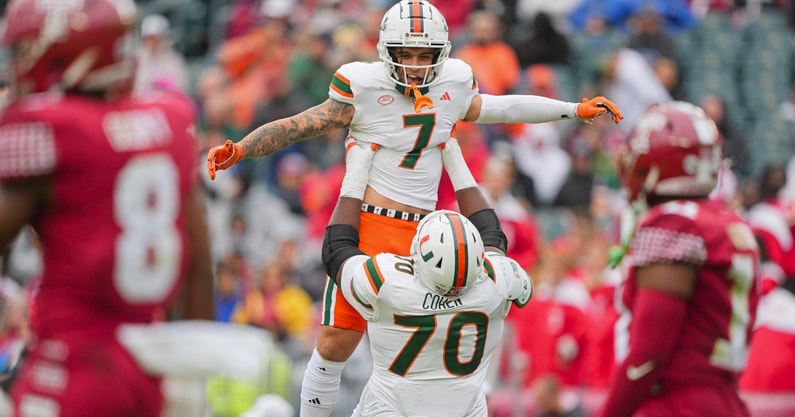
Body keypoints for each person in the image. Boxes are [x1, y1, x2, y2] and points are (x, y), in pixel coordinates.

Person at [207, 1, 623, 415]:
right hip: (371, 224)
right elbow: (300, 124)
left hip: (426, 236)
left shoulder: (456, 81)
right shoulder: (363, 85)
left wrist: (571, 110)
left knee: (424, 348)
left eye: (426, 55)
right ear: (386, 50)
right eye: (406, 54)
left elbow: (501, 107)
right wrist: (243, 148)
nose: (416, 65)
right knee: (335, 342)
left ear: (442, 54)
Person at [0, 0, 215, 415]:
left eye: (26, 49)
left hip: (72, 367)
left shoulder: (56, 130)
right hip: (149, 368)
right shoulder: (168, 119)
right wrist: (191, 372)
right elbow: (199, 266)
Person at [320, 135, 533, 416]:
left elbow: (336, 248)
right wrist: (453, 156)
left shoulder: (389, 280)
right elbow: (493, 235)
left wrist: (356, 173)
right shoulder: (495, 280)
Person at [599, 101, 760, 417]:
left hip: (674, 403)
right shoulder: (730, 225)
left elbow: (648, 354)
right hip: (725, 401)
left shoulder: (674, 222)